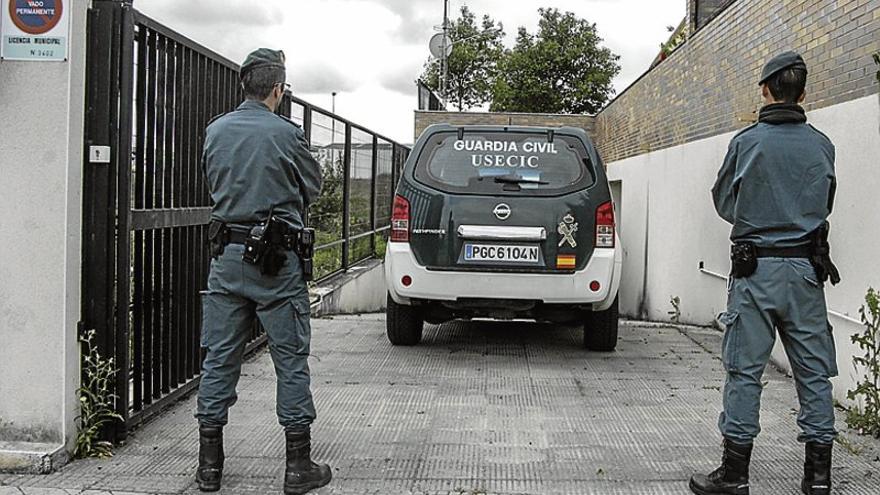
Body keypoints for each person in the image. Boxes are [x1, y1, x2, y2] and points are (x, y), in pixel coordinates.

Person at [690, 51, 840, 495]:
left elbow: (723, 202)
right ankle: (818, 480)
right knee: (813, 374)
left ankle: (735, 475)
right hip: (805, 272)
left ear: (765, 89)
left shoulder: (745, 142)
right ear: (803, 93)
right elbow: (825, 201)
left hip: (755, 272)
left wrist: (758, 215)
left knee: (744, 372)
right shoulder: (822, 144)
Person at [195, 48, 331, 495]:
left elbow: (214, 183)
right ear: (278, 89)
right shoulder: (287, 134)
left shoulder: (216, 130)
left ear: (244, 86)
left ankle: (209, 468)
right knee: (290, 360)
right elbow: (312, 187)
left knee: (219, 358)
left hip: (227, 260)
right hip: (277, 263)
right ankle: (297, 468)